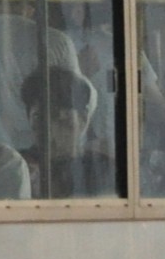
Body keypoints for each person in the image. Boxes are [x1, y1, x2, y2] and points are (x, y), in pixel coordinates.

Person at [22, 64, 118, 198]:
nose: (50, 131)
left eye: (62, 119)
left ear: (83, 119)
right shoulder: (17, 167)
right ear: (28, 118)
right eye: (39, 118)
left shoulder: (103, 170)